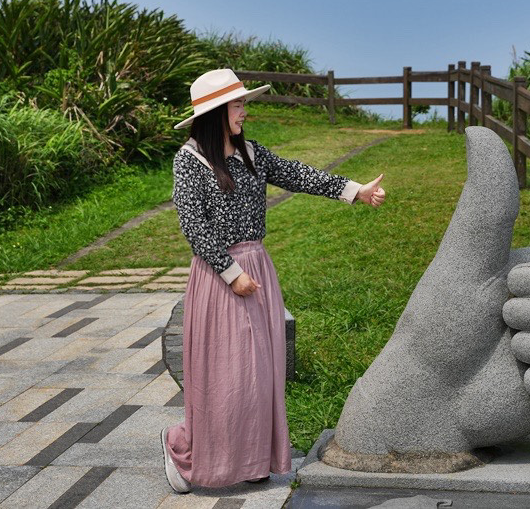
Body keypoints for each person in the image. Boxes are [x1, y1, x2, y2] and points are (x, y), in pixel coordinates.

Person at [160, 68, 386, 493]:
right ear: (215, 111)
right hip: (219, 276)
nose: (245, 111)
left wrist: (355, 190)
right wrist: (231, 275)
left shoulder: (249, 152)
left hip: (257, 266)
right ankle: (182, 449)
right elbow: (193, 226)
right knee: (226, 377)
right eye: (238, 104)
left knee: (259, 374)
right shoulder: (189, 161)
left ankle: (251, 461)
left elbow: (297, 174)